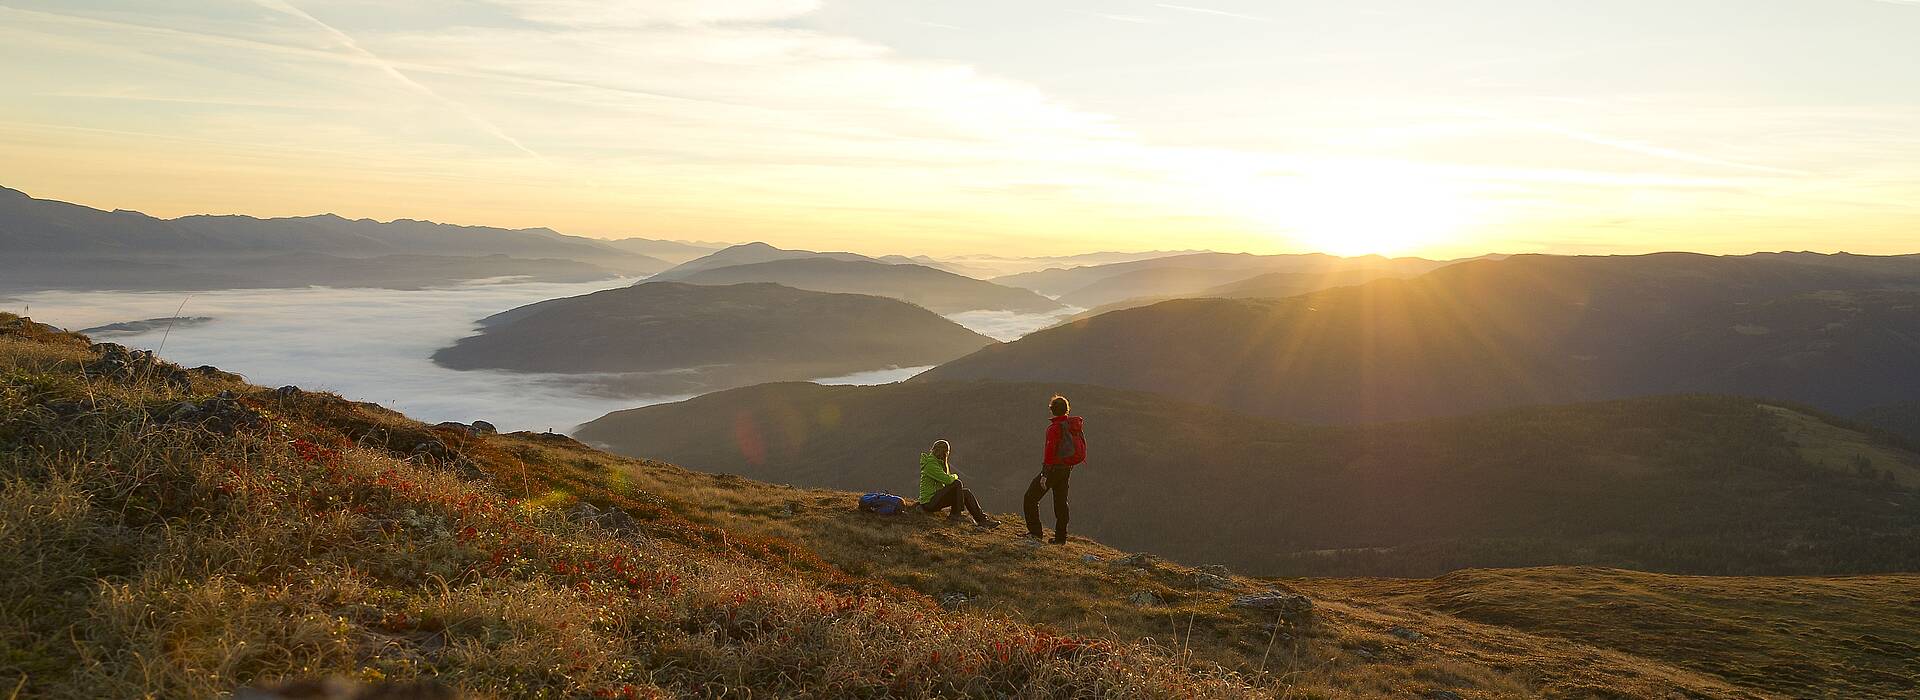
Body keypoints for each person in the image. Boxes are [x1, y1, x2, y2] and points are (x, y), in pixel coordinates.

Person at [1024, 395, 1085, 544]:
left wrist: (1045, 474)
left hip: (1053, 470)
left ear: (1051, 410)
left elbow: (1049, 453)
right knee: (1061, 503)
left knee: (1030, 498)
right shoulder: (1073, 426)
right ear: (1067, 410)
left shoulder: (1054, 428)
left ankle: (1035, 533)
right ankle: (1060, 538)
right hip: (1066, 469)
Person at [919, 440, 999, 528]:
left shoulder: (939, 463)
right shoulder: (930, 464)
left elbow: (947, 483)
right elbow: (948, 480)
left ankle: (982, 520)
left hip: (936, 498)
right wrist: (955, 475)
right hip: (929, 502)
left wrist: (946, 468)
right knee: (957, 483)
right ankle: (956, 514)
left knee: (966, 493)